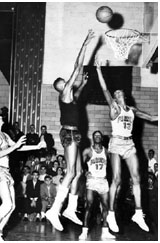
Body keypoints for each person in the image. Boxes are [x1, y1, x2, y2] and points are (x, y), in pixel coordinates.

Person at [95, 58, 158, 233]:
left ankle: (138, 213)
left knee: (137, 178)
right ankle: (111, 213)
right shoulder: (114, 108)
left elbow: (152, 118)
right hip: (116, 143)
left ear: (124, 95)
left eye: (120, 92)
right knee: (117, 179)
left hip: (129, 144)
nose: (118, 93)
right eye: (116, 93)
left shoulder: (132, 110)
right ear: (115, 98)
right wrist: (99, 70)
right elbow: (105, 89)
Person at [46, 29, 95, 231]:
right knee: (70, 172)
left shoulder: (71, 98)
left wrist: (83, 83)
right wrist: (85, 45)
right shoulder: (64, 93)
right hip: (69, 133)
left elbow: (79, 93)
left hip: (74, 133)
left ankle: (70, 208)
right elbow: (77, 66)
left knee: (79, 172)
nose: (68, 84)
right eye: (65, 83)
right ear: (62, 87)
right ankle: (55, 210)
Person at [0, 112, 46, 241]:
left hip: (6, 171)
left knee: (12, 206)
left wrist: (36, 146)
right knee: (6, 204)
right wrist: (15, 145)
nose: (1, 116)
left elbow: (18, 148)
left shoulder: (4, 135)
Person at [79, 131, 115, 240]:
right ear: (93, 138)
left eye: (99, 136)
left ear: (102, 138)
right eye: (95, 136)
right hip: (92, 181)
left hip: (103, 181)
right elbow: (79, 161)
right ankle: (84, 231)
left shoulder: (106, 151)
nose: (97, 137)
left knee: (106, 206)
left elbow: (114, 163)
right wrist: (84, 171)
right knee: (89, 205)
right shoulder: (88, 151)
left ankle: (105, 230)